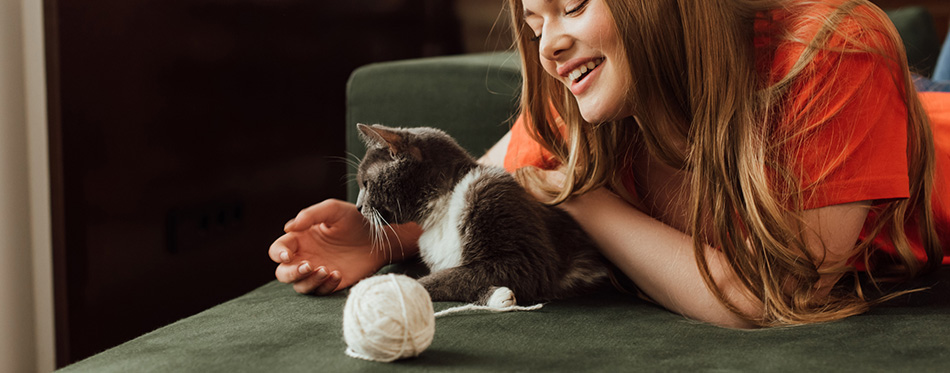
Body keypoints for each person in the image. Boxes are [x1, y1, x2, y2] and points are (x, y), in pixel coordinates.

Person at [269, 0, 950, 328]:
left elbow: (769, 295)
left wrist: (585, 199)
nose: (549, 48)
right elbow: (471, 185)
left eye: (571, 7)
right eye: (535, 24)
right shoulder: (585, 100)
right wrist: (388, 241)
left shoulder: (829, 52)